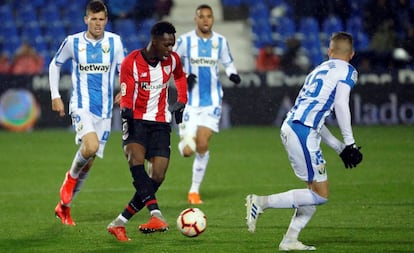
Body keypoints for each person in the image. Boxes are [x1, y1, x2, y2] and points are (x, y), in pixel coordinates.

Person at [245, 32, 363, 251]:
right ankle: (260, 202)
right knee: (320, 194)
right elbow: (341, 104)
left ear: (330, 52)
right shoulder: (348, 71)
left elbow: (315, 119)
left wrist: (339, 147)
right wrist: (350, 142)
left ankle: (290, 240)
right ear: (352, 54)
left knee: (312, 192)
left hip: (295, 127)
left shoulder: (318, 70)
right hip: (302, 132)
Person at [106, 21, 188, 241]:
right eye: (167, 44)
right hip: (136, 120)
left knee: (158, 176)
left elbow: (180, 76)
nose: (170, 49)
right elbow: (126, 91)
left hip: (160, 122)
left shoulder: (172, 60)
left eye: (173, 44)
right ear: (154, 40)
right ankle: (156, 214)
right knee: (136, 161)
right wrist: (127, 110)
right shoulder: (131, 62)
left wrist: (181, 100)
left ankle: (119, 222)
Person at [49, 0, 125, 226]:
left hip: (104, 111)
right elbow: (55, 65)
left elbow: (125, 70)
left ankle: (64, 207)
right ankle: (69, 180)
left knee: (89, 162)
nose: (98, 23)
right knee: (89, 147)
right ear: (86, 20)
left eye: (102, 19)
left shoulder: (115, 42)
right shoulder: (73, 42)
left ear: (106, 20)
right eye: (94, 19)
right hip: (80, 105)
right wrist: (55, 96)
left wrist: (125, 89)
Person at [174, 4, 241, 204]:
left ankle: (194, 191)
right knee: (187, 151)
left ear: (212, 19)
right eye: (201, 16)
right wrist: (185, 77)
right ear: (196, 19)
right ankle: (184, 141)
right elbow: (171, 62)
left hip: (212, 101)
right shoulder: (185, 41)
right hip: (189, 102)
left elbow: (228, 62)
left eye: (208, 16)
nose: (205, 20)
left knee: (202, 144)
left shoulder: (220, 41)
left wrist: (233, 74)